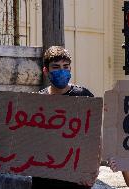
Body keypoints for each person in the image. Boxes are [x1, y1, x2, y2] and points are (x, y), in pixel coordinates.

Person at [32, 46, 96, 189]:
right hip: (44, 178)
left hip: (76, 178)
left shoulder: (84, 96)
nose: (62, 70)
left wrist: (93, 171)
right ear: (46, 71)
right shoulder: (37, 101)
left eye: (65, 66)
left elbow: (95, 138)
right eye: (56, 67)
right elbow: (26, 140)